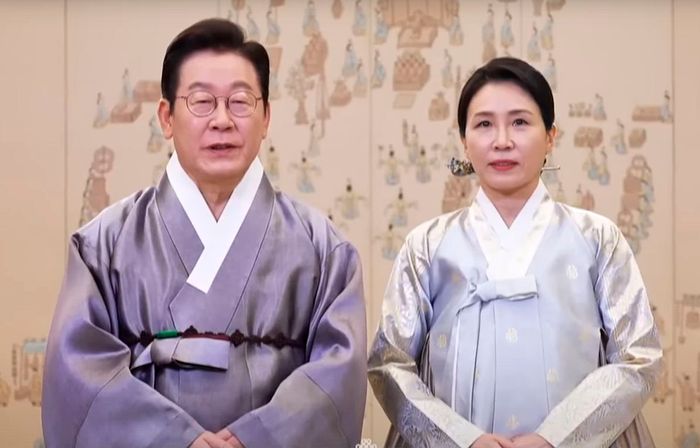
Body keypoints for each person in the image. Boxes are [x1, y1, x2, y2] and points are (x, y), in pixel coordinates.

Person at [42, 18, 367, 448]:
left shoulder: (324, 249)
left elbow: (338, 378)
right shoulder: (102, 245)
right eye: (201, 102)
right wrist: (174, 439)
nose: (222, 120)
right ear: (166, 117)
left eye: (240, 102)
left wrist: (257, 438)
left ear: (266, 117)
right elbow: (78, 373)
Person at [368, 57, 661, 448]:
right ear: (464, 140)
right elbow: (389, 364)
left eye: (520, 122)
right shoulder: (426, 246)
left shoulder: (598, 239)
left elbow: (637, 357)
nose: (502, 140)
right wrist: (462, 440)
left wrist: (554, 438)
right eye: (484, 124)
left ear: (551, 137)